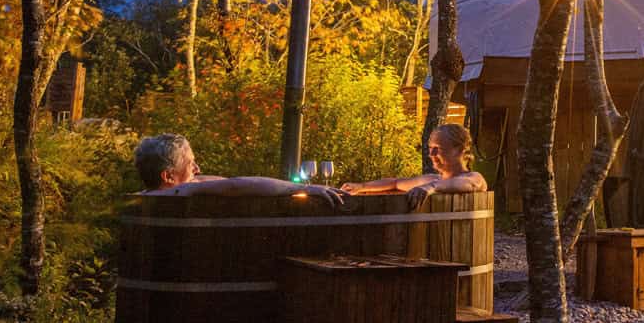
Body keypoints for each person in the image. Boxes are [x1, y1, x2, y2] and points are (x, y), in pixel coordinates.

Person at [134, 134, 345, 206]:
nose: (197, 169)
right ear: (168, 176)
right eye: (190, 164)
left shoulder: (149, 195)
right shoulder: (177, 194)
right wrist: (304, 189)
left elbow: (223, 180)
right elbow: (236, 184)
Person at [343, 123, 487, 204]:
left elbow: (469, 184)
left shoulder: (474, 177)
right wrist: (361, 187)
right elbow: (396, 183)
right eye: (431, 149)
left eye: (438, 149)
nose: (431, 155)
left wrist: (431, 188)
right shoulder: (433, 179)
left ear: (459, 150)